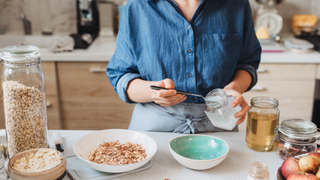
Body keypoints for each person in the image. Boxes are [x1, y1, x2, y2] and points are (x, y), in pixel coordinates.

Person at [107, 0, 261, 134]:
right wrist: (153, 92)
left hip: (221, 121)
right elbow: (121, 75)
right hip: (153, 128)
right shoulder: (137, 6)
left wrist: (233, 88)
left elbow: (247, 64)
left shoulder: (237, 5)